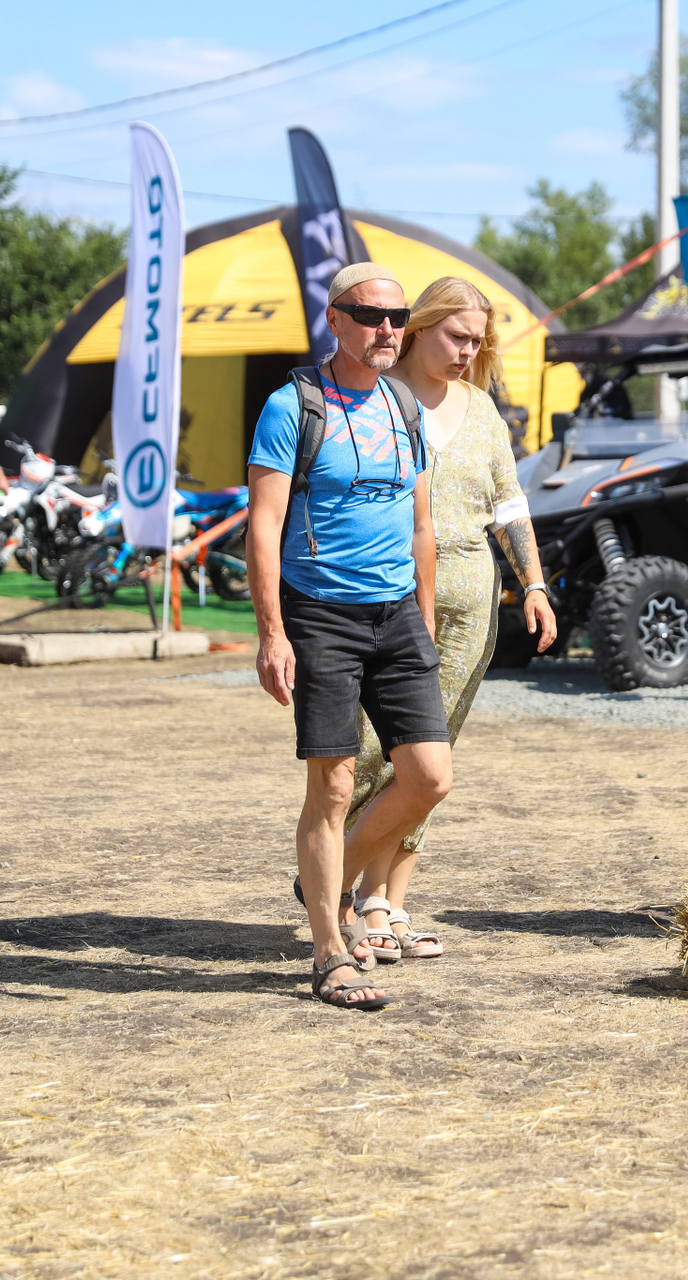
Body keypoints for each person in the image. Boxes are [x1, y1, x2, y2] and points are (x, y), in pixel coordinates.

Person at [246, 262, 451, 1011]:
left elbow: (422, 524)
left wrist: (425, 617)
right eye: (370, 316)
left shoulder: (404, 405)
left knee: (429, 778)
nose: (387, 330)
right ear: (335, 320)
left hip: (397, 615)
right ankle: (329, 952)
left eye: (397, 318)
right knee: (331, 786)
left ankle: (323, 885)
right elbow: (263, 526)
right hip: (321, 614)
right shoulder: (291, 407)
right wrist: (272, 633)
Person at [342, 277, 557, 963]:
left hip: (471, 612)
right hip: (386, 600)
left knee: (431, 762)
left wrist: (534, 584)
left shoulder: (483, 408)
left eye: (477, 341)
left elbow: (509, 503)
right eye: (457, 336)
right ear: (420, 326)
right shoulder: (374, 397)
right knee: (372, 753)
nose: (468, 351)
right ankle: (337, 891)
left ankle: (388, 903)